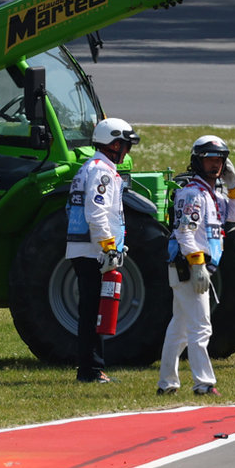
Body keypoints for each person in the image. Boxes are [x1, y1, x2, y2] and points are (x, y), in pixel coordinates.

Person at [157, 136, 235, 397]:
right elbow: (185, 233)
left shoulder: (213, 195)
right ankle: (203, 384)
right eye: (209, 159)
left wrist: (233, 186)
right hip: (190, 268)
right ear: (197, 161)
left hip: (196, 268)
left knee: (180, 328)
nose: (215, 165)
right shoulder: (192, 194)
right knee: (201, 328)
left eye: (219, 160)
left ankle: (167, 383)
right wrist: (197, 266)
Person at [65, 117, 140, 383]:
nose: (127, 152)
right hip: (93, 252)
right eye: (125, 145)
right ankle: (90, 370)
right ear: (114, 144)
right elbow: (96, 212)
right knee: (93, 313)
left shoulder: (92, 167)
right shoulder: (102, 171)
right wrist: (108, 248)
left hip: (87, 249)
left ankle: (92, 368)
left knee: (93, 311)